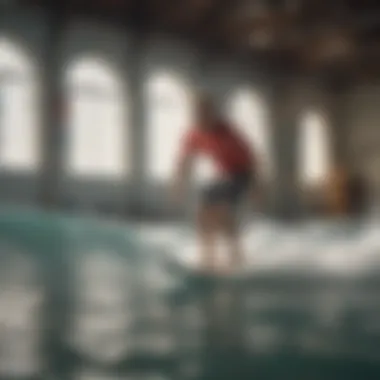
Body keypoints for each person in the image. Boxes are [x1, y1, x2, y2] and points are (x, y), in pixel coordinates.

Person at [172, 93, 259, 274]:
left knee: (221, 212)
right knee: (203, 210)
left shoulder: (227, 132)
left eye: (206, 113)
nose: (202, 118)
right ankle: (207, 257)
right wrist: (178, 184)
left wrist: (256, 187)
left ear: (212, 114)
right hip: (224, 176)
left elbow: (251, 159)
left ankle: (236, 256)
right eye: (198, 114)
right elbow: (185, 161)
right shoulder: (194, 134)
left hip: (242, 174)